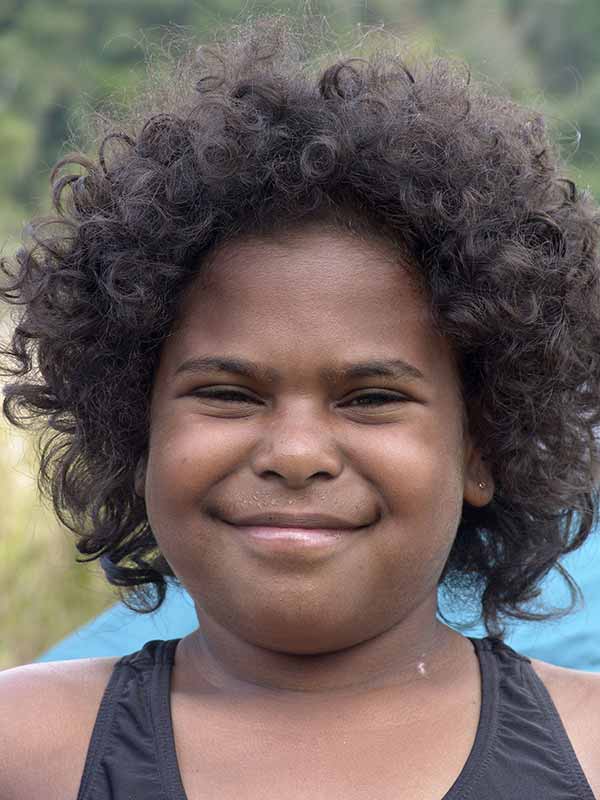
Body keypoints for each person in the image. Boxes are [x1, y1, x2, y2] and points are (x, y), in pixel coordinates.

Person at [1, 14, 600, 799]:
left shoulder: (589, 749)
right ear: (136, 428)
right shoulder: (26, 752)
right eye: (227, 394)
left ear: (482, 446)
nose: (295, 453)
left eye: (373, 398)